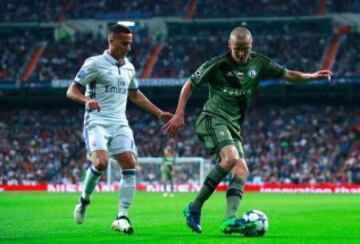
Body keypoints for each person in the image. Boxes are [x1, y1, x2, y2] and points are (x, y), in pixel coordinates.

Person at [164, 27, 332, 234]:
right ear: (229, 46)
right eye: (237, 49)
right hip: (212, 119)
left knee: (242, 171)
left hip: (233, 126)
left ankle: (229, 220)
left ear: (251, 46)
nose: (241, 54)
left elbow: (288, 74)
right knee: (231, 158)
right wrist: (179, 113)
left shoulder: (259, 63)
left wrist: (312, 77)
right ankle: (194, 207)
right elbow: (189, 84)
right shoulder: (217, 65)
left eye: (245, 49)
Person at [67, 24, 172, 234]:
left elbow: (135, 94)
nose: (128, 47)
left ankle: (121, 217)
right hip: (97, 121)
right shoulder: (94, 63)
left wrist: (159, 113)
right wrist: (86, 99)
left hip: (120, 122)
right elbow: (72, 90)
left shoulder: (129, 67)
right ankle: (84, 200)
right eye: (124, 43)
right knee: (101, 162)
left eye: (130, 43)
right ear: (111, 41)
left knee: (130, 164)